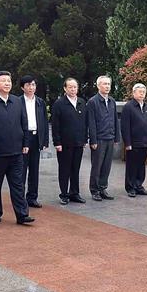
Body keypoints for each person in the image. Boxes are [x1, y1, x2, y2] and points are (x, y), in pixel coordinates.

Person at [0, 71, 34, 225]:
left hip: (16, 151)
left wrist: (26, 144)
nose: (7, 83)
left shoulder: (17, 101)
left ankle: (22, 214)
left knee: (17, 184)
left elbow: (25, 124)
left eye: (9, 81)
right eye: (3, 81)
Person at [51, 77, 88, 205]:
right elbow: (55, 125)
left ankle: (74, 193)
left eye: (75, 87)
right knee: (64, 169)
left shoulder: (82, 102)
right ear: (65, 88)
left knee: (75, 169)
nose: (73, 89)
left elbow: (85, 123)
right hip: (64, 144)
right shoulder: (59, 104)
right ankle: (64, 194)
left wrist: (84, 140)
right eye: (70, 87)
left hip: (78, 142)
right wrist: (57, 143)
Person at [86, 75, 120, 201]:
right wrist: (93, 140)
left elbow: (115, 120)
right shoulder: (93, 102)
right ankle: (94, 190)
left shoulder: (111, 101)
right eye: (104, 84)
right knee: (97, 165)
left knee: (106, 165)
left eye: (108, 84)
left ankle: (102, 188)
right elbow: (91, 122)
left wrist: (117, 137)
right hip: (99, 139)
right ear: (98, 86)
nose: (107, 86)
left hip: (110, 137)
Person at [19, 75, 49, 208]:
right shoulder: (17, 102)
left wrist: (45, 140)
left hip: (36, 138)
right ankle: (20, 198)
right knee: (21, 170)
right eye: (28, 85)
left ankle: (32, 197)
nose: (31, 88)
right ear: (22, 87)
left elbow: (44, 121)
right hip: (23, 139)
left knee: (34, 169)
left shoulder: (40, 102)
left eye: (33, 85)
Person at [120, 83, 147, 198]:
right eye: (140, 92)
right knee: (131, 166)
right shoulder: (128, 107)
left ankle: (139, 185)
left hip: (144, 142)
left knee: (141, 165)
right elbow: (125, 126)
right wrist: (127, 143)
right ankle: (130, 187)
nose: (142, 94)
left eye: (144, 92)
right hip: (133, 143)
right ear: (133, 93)